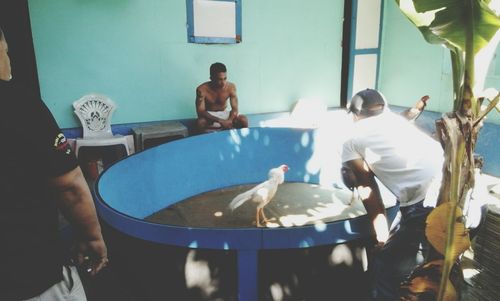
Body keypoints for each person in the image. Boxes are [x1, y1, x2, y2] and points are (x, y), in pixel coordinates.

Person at [0, 27, 108, 300]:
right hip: (29, 275)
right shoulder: (19, 103)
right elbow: (70, 186)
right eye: (8, 51)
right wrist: (93, 237)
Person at [340, 89, 444, 301]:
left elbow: (368, 192)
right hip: (463, 192)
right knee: (439, 270)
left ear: (354, 114)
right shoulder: (397, 122)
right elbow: (409, 115)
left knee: (386, 270)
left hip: (426, 205)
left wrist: (381, 236)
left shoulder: (352, 141)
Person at [195, 62, 248, 133]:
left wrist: (229, 120)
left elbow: (235, 109)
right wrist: (220, 121)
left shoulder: (231, 87)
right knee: (200, 122)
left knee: (243, 119)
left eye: (225, 78)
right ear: (211, 78)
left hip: (225, 113)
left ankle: (245, 141)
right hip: (210, 116)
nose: (223, 83)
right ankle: (202, 142)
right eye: (219, 79)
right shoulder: (202, 89)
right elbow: (201, 112)